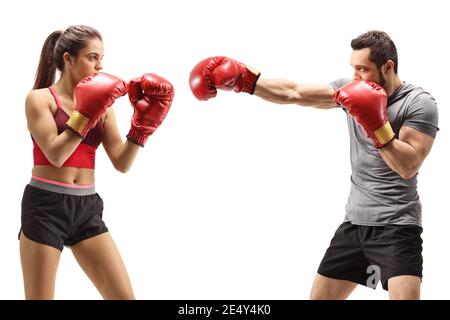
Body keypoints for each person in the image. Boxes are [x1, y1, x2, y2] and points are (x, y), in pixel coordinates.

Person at [189, 31, 439, 300]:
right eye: (352, 69)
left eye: (362, 69)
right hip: (354, 224)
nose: (355, 77)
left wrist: (376, 125)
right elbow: (293, 92)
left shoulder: (419, 103)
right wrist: (246, 81)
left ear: (388, 67)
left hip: (398, 227)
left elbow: (408, 165)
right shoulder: (350, 90)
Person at [21, 25, 174, 299]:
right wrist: (86, 113)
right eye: (92, 57)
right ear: (68, 59)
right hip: (45, 206)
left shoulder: (104, 107)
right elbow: (56, 155)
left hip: (86, 207)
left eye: (102, 58)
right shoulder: (40, 99)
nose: (100, 65)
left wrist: (143, 127)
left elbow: (121, 162)